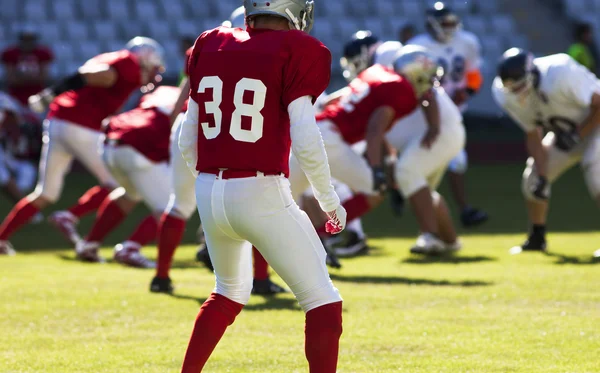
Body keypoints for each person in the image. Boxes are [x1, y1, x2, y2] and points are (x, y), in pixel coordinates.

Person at [178, 1, 346, 371]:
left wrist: (209, 182)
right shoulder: (299, 48)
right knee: (323, 301)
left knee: (227, 293)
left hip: (210, 187)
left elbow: (187, 134)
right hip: (260, 189)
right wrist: (328, 198)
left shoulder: (211, 41)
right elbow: (305, 136)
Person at [150, 6, 288, 295]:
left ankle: (161, 276)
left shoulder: (211, 46)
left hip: (192, 124)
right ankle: (259, 278)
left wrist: (174, 127)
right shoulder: (269, 53)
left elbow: (187, 90)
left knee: (180, 204)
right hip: (233, 134)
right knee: (259, 201)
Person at [0, 37, 165, 256]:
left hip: (59, 121)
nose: (154, 72)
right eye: (153, 66)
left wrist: (52, 94)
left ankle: (2, 239)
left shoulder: (115, 58)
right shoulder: (128, 63)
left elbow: (89, 76)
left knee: (46, 192)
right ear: (144, 59)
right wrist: (51, 93)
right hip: (80, 124)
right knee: (120, 183)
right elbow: (92, 76)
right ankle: (71, 217)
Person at [492, 48, 600, 257]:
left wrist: (580, 132)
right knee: (532, 181)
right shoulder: (504, 93)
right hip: (568, 134)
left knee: (595, 168)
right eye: (512, 88)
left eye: (520, 86)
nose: (517, 93)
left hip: (593, 125)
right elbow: (532, 133)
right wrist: (542, 175)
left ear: (531, 74)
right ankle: (537, 237)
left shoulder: (559, 72)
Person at [74, 86, 178, 264]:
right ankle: (130, 248)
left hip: (112, 140)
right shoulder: (192, 95)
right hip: (140, 143)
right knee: (173, 208)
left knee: (130, 193)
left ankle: (89, 244)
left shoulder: (163, 91)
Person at [408, 1, 489, 227]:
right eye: (445, 23)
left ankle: (458, 210)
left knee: (456, 162)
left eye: (453, 22)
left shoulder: (467, 42)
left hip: (453, 114)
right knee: (424, 161)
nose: (450, 27)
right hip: (423, 113)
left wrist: (468, 92)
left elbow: (473, 73)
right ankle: (425, 203)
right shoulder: (418, 46)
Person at [386, 46, 464, 253]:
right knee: (423, 189)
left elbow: (427, 96)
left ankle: (430, 235)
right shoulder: (407, 75)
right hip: (447, 131)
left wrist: (434, 127)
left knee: (407, 172)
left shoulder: (415, 81)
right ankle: (450, 241)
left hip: (441, 132)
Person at [0, 26, 54, 106]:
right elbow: (11, 79)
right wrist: (31, 78)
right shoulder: (10, 54)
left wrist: (22, 78)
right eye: (25, 39)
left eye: (30, 39)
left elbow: (43, 77)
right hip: (16, 96)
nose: (28, 43)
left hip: (37, 95)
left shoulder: (42, 53)